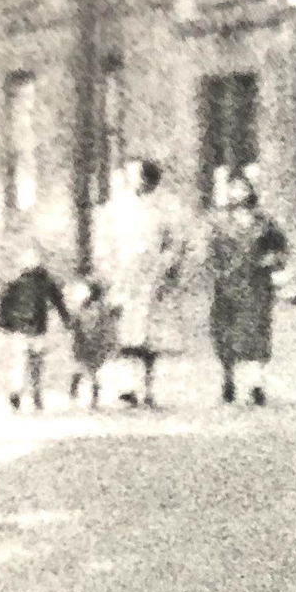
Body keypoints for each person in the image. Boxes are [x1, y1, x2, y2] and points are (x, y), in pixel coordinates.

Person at [94, 157, 182, 409]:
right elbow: (103, 242)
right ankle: (126, 387)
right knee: (123, 334)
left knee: (149, 338)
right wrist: (108, 270)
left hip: (151, 280)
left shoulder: (163, 209)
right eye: (130, 174)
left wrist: (165, 266)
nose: (133, 179)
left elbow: (174, 243)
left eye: (138, 175)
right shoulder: (115, 208)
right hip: (122, 277)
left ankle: (149, 386)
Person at [207, 170, 287, 405]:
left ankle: (256, 384)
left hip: (256, 285)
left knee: (257, 334)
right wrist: (217, 272)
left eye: (243, 188)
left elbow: (281, 248)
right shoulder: (219, 222)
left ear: (251, 191)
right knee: (226, 335)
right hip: (227, 287)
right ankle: (229, 379)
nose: (238, 193)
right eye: (233, 188)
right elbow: (211, 254)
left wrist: (272, 260)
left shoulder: (264, 222)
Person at [0, 242, 69, 411]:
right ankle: (36, 394)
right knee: (36, 363)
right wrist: (66, 320)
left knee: (19, 362)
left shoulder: (14, 283)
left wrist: (4, 324)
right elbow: (59, 302)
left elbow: (3, 305)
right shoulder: (47, 283)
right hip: (38, 328)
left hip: (19, 330)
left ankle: (16, 391)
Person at [66, 275, 116, 411]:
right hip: (96, 342)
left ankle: (74, 393)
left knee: (79, 368)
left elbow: (74, 323)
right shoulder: (103, 308)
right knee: (93, 371)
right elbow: (107, 327)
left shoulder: (84, 306)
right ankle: (93, 399)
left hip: (82, 341)